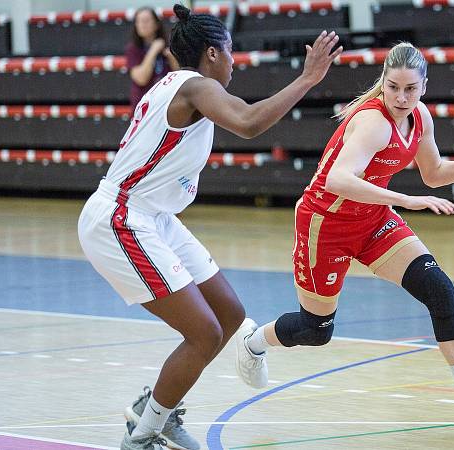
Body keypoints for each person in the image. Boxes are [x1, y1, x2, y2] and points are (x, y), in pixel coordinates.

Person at [77, 4, 342, 449]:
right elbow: (249, 122)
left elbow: (240, 113)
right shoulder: (195, 87)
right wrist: (307, 79)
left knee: (229, 316)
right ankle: (142, 438)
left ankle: (153, 408)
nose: (236, 61)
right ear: (213, 54)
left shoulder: (182, 86)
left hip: (155, 217)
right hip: (123, 217)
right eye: (231, 52)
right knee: (204, 333)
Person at [235, 42, 454, 436]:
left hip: (372, 222)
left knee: (438, 288)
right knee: (316, 329)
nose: (402, 98)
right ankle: (254, 342)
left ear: (424, 85)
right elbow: (339, 179)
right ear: (382, 85)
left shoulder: (420, 118)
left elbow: (435, 172)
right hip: (326, 224)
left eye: (410, 89)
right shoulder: (373, 122)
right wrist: (404, 199)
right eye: (393, 88)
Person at [125, 7, 179, 111]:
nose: (142, 25)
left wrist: (172, 58)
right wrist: (153, 51)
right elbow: (141, 79)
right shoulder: (133, 49)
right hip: (144, 107)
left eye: (146, 21)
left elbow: (180, 75)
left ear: (156, 24)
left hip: (168, 104)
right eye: (138, 21)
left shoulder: (169, 45)